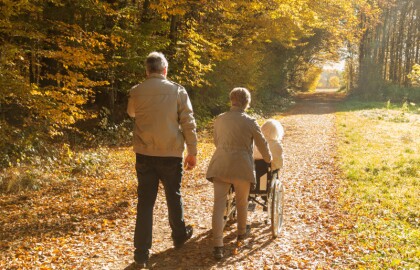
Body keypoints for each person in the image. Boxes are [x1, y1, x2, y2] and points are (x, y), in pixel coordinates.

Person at [127, 51, 198, 267]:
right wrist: (192, 151)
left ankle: (141, 253)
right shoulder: (177, 90)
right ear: (164, 70)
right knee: (173, 196)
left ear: (147, 70)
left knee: (145, 202)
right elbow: (188, 122)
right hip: (170, 153)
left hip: (145, 153)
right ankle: (178, 236)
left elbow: (132, 113)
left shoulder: (136, 91)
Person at [206, 87, 272, 260]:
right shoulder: (250, 121)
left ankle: (218, 245)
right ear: (247, 103)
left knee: (218, 205)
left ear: (231, 101)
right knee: (242, 202)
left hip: (220, 164)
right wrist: (268, 159)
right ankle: (241, 232)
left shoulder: (219, 119)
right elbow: (262, 144)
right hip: (241, 166)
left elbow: (216, 141)